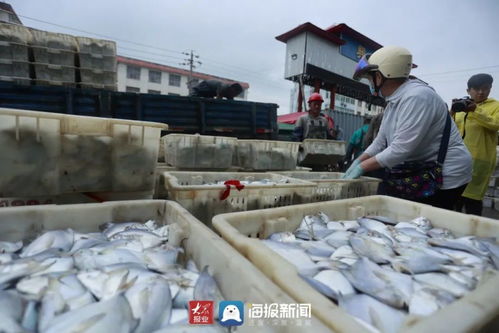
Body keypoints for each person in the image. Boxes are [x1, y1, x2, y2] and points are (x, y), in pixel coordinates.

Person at [342, 46, 472, 210]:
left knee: (426, 222)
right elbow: (380, 142)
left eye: (370, 78)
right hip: (424, 168)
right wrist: (357, 161)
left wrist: (363, 167)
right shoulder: (393, 103)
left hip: (448, 172)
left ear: (381, 76)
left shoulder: (417, 97)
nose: (370, 83)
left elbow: (400, 149)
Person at [453, 73, 499, 216]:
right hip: (458, 160)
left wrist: (475, 110)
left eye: (485, 88)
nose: (481, 92)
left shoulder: (495, 106)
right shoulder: (461, 108)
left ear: (490, 89)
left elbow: (495, 124)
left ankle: (472, 235)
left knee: (473, 201)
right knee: (454, 201)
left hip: (480, 161)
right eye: (476, 89)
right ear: (468, 91)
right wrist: (452, 112)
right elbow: (451, 130)